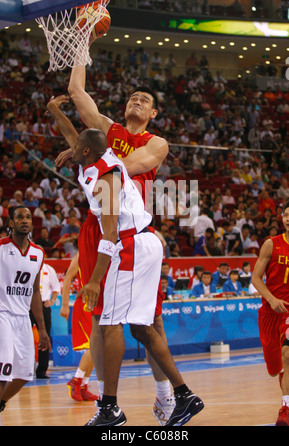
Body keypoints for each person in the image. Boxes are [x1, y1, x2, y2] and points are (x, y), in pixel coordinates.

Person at [47, 80, 177, 424]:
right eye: (132, 96)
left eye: (144, 99)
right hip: (99, 226)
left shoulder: (154, 143)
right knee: (101, 320)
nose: (136, 100)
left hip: (133, 231)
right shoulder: (106, 131)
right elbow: (77, 94)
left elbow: (119, 167)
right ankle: (105, 404)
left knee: (149, 320)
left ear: (153, 113)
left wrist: (82, 150)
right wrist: (81, 40)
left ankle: (167, 396)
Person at [55, 126, 204, 427]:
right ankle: (184, 395)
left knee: (109, 324)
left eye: (77, 145)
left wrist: (95, 279)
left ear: (85, 151)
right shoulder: (96, 159)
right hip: (142, 242)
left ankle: (110, 408)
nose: (72, 146)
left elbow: (109, 234)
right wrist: (55, 110)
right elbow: (75, 137)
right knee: (141, 328)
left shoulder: (106, 176)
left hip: (130, 243)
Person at [0, 206, 51, 414]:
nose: (25, 220)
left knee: (26, 373)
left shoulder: (38, 253)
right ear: (11, 223)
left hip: (23, 318)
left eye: (28, 217)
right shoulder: (1, 247)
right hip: (2, 313)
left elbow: (35, 293)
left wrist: (42, 329)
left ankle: (0, 403)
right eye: (19, 217)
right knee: (4, 371)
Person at [252, 201, 289, 426]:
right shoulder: (271, 244)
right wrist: (272, 299)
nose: (288, 219)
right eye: (286, 215)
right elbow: (256, 278)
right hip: (269, 310)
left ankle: (285, 408)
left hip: (288, 312)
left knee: (287, 355)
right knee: (275, 368)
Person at [60, 252, 99, 402]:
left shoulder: (105, 250)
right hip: (85, 303)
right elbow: (68, 277)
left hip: (99, 302)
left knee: (99, 349)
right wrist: (64, 305)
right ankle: (76, 381)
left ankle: (83, 386)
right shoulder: (81, 254)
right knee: (94, 346)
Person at [30, 260, 61, 378]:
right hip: (28, 305)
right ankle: (23, 368)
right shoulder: (27, 265)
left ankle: (42, 370)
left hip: (43, 305)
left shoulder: (49, 269)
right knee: (24, 336)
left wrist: (52, 300)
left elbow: (56, 287)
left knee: (45, 336)